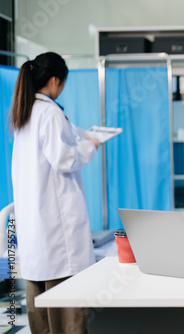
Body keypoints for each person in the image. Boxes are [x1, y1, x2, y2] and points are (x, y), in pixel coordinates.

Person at [9, 52, 100, 334]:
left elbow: (63, 138)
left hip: (36, 228)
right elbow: (64, 159)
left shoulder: (26, 111)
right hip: (56, 229)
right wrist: (91, 146)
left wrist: (84, 137)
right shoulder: (48, 112)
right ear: (55, 80)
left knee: (41, 309)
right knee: (66, 308)